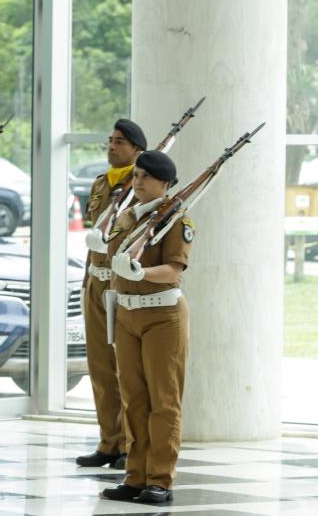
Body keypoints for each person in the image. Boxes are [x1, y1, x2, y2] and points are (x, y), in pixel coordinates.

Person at [100, 150, 192, 504]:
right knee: (133, 399)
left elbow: (173, 270)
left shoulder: (175, 220)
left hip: (162, 316)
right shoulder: (128, 216)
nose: (137, 182)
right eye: (136, 175)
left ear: (164, 183)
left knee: (163, 402)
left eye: (145, 177)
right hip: (127, 314)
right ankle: (135, 476)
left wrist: (142, 273)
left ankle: (160, 480)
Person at [76, 119, 146, 471]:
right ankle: (109, 440)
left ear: (136, 150)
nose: (112, 146)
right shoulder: (102, 183)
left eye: (120, 142)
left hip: (120, 283)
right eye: (110, 140)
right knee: (100, 366)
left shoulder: (140, 185)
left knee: (125, 369)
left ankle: (131, 445)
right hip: (95, 280)